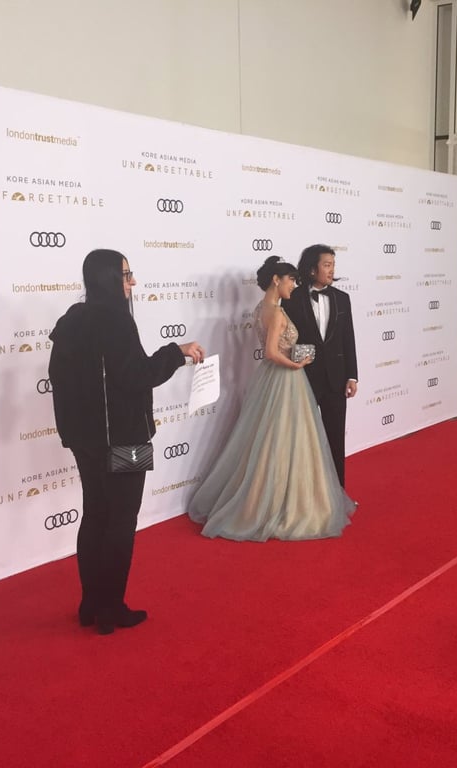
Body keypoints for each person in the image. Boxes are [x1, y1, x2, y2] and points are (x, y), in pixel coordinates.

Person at [48, 248, 205, 635]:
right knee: (120, 521)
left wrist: (75, 432)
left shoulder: (72, 320)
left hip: (85, 440)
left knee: (95, 514)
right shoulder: (117, 321)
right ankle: (111, 608)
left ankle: (91, 604)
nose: (133, 282)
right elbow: (138, 376)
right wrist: (176, 352)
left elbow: (61, 382)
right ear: (108, 278)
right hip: (126, 439)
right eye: (125, 274)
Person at [188, 256, 355, 541]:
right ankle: (285, 503)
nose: (294, 286)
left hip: (268, 378)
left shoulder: (259, 308)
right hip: (285, 378)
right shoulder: (276, 312)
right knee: (288, 439)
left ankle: (263, 498)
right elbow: (271, 352)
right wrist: (296, 364)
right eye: (290, 280)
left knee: (268, 440)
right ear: (276, 280)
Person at [281, 244, 358, 486]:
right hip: (304, 378)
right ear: (312, 269)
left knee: (336, 438)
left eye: (333, 265)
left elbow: (348, 339)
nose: (331, 270)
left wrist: (352, 376)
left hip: (336, 379)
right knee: (301, 438)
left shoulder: (342, 299)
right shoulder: (292, 299)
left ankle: (338, 493)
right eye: (326, 265)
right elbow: (286, 340)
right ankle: (304, 492)